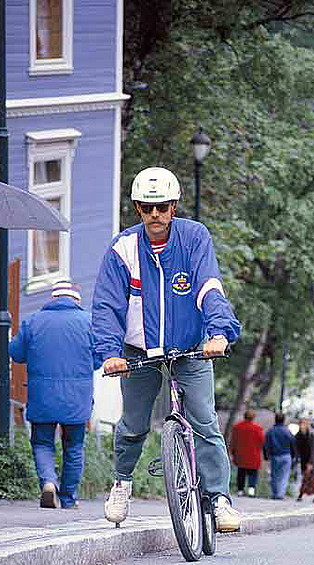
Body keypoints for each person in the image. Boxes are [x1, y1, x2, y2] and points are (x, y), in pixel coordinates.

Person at [92, 166, 241, 531]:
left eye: (161, 207)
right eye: (146, 208)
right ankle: (122, 483)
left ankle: (219, 499)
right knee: (132, 425)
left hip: (190, 346)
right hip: (138, 351)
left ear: (174, 207)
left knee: (205, 422)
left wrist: (219, 333)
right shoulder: (123, 248)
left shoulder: (194, 238)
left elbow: (208, 286)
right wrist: (110, 353)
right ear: (137, 209)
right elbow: (107, 304)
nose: (154, 215)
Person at [9, 281, 100, 509]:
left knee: (42, 443)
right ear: (76, 300)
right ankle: (68, 498)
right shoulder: (89, 322)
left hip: (42, 395)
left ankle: (48, 482)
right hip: (77, 398)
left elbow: (16, 354)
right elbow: (98, 360)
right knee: (74, 446)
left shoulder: (33, 320)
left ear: (53, 299)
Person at [229, 409, 265, 497]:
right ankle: (251, 490)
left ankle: (240, 490)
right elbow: (262, 441)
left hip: (241, 454)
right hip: (253, 455)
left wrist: (232, 451)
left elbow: (233, 441)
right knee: (253, 473)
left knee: (241, 472)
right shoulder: (258, 429)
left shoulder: (237, 427)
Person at [263, 412, 297, 499]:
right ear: (283, 420)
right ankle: (280, 494)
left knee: (274, 475)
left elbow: (266, 444)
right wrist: (294, 455)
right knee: (284, 475)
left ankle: (275, 493)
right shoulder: (287, 431)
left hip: (275, 456)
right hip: (286, 455)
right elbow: (293, 443)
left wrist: (266, 455)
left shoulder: (271, 431)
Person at [295, 420, 314, 503]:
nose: (301, 426)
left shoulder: (311, 436)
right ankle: (309, 495)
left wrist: (311, 462)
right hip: (305, 460)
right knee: (307, 478)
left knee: (312, 478)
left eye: (303, 424)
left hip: (313, 460)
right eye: (300, 424)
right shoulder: (299, 435)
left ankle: (311, 495)